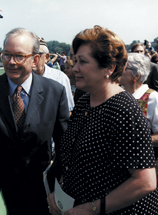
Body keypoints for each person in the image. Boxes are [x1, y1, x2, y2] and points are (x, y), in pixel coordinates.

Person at [48, 25, 158, 215]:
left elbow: (145, 182)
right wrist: (59, 191)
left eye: (82, 61)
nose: (74, 68)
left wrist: (92, 209)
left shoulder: (124, 109)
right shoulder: (84, 102)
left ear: (109, 68)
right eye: (75, 61)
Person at [0, 27, 69, 215]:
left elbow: (64, 143)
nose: (11, 62)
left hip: (41, 193)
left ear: (35, 60)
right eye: (6, 55)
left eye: (19, 56)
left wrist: (58, 183)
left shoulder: (54, 92)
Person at [120, 53, 158, 184]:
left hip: (144, 167)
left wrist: (133, 141)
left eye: (124, 68)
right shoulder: (119, 95)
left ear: (136, 75)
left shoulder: (153, 98)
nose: (118, 70)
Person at [33, 37, 74, 113]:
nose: (33, 59)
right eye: (29, 55)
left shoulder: (60, 78)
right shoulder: (21, 79)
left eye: (37, 55)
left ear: (46, 57)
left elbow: (68, 111)